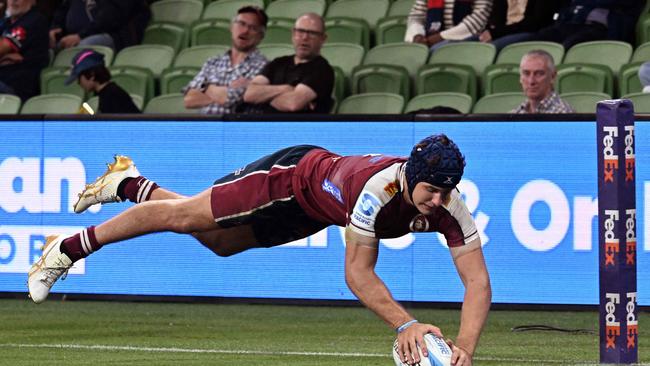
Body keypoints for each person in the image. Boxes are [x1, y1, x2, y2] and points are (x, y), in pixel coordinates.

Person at [28, 134, 491, 366]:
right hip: (289, 177)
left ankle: (127, 183)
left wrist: (464, 349)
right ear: (410, 175)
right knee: (185, 217)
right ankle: (66, 248)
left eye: (446, 192)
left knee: (219, 244)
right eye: (430, 190)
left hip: (313, 210)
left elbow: (477, 281)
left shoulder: (451, 205)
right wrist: (406, 325)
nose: (437, 201)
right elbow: (357, 274)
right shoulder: (377, 191)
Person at [183, 6, 268, 115]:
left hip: (236, 129)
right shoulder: (213, 62)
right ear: (231, 27)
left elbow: (230, 99)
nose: (245, 30)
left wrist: (205, 89)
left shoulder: (264, 66)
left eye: (253, 28)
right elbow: (189, 100)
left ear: (261, 36)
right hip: (207, 129)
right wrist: (225, 91)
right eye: (241, 23)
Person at [243, 13, 334, 113]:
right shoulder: (278, 63)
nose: (304, 37)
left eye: (312, 33)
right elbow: (249, 94)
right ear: (293, 34)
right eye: (300, 31)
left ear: (323, 39)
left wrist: (263, 98)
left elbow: (292, 104)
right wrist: (287, 88)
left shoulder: (322, 70)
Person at [529, 0, 642, 49]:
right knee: (537, 40)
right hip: (573, 23)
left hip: (600, 27)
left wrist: (583, 4)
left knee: (570, 45)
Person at [49, 0, 150, 51]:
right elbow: (63, 9)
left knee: (85, 46)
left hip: (113, 35)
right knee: (47, 47)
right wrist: (55, 28)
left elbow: (111, 17)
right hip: (76, 35)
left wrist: (80, 36)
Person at [64, 48, 140, 114]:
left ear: (91, 75)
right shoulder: (108, 93)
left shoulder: (112, 96)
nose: (78, 83)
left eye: (79, 78)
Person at [0, 0, 49, 101]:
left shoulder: (33, 20)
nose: (14, 0)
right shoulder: (6, 22)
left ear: (33, 1)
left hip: (16, 87)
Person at [404, 0, 493, 52]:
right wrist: (417, 35)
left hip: (466, 36)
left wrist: (441, 36)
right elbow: (417, 15)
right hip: (430, 37)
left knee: (435, 51)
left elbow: (479, 19)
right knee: (410, 52)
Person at [479, 0, 563, 51]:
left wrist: (495, 33)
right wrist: (489, 31)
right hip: (503, 31)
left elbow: (533, 24)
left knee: (490, 49)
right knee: (468, 44)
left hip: (527, 31)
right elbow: (495, 18)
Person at [511, 49, 574, 114]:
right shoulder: (515, 113)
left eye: (539, 74)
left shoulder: (563, 113)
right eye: (526, 73)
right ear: (520, 78)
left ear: (552, 77)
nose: (531, 81)